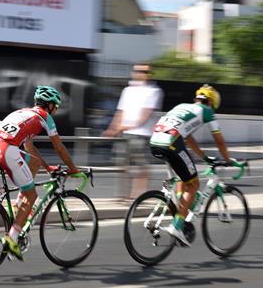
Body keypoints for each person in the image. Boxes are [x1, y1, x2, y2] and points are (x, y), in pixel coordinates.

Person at [0, 85, 81, 260]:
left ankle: (18, 207)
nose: (55, 110)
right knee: (32, 196)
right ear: (50, 105)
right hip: (8, 150)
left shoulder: (24, 113)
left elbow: (29, 148)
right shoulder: (44, 116)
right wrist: (73, 168)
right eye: (56, 106)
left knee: (35, 163)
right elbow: (59, 148)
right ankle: (12, 239)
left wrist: (48, 168)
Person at [149, 84, 241, 246]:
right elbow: (219, 140)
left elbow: (189, 139)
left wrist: (204, 157)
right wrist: (227, 159)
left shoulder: (183, 107)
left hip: (155, 142)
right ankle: (177, 226)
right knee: (194, 184)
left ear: (197, 98)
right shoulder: (207, 111)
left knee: (182, 176)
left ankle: (180, 208)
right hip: (171, 143)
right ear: (211, 102)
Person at [103, 63, 163, 199]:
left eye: (146, 72)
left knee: (141, 165)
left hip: (141, 134)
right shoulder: (128, 90)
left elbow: (146, 114)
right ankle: (123, 194)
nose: (143, 74)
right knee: (122, 164)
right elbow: (120, 111)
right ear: (134, 73)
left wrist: (124, 127)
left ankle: (140, 194)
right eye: (140, 71)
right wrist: (112, 128)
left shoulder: (154, 91)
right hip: (124, 133)